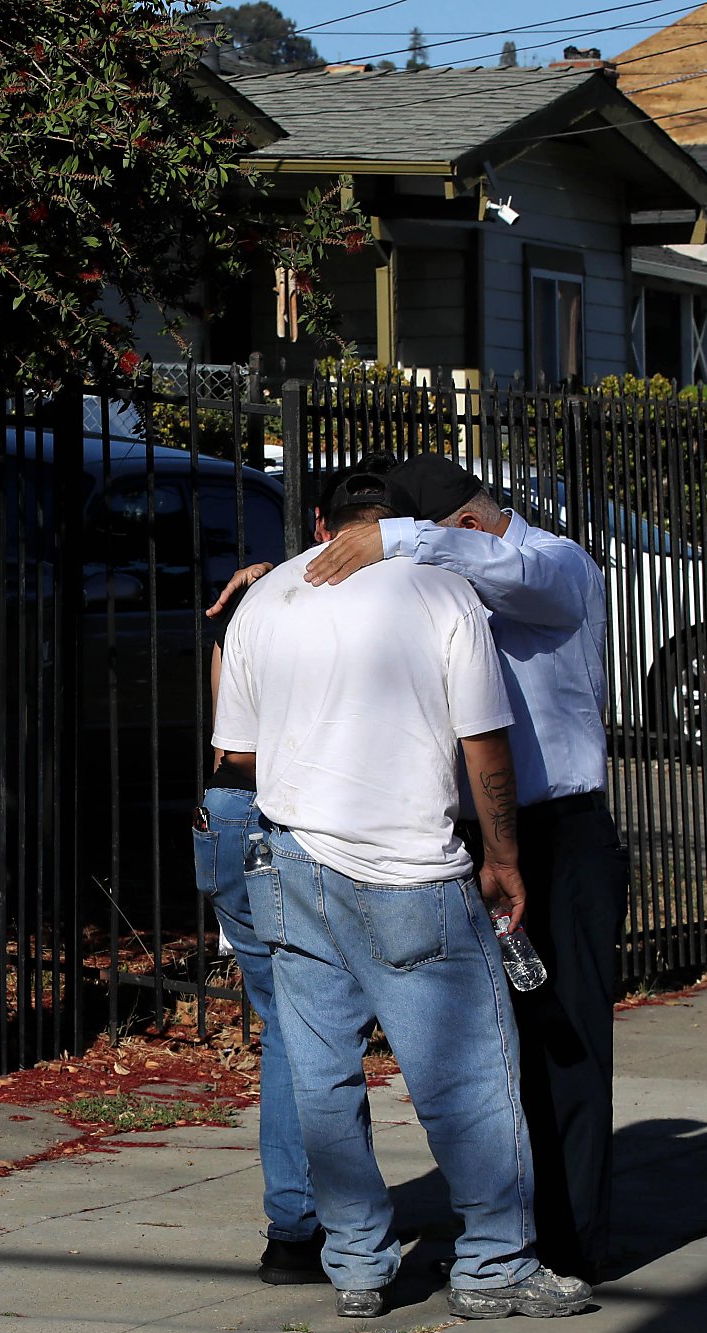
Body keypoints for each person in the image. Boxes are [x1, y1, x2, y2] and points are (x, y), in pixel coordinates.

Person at [209, 452, 624, 1283]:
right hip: (447, 833)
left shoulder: (554, 564)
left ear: (463, 525)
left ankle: (564, 1235)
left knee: (559, 1037)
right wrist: (292, 578)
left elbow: (508, 576)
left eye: (408, 539)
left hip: (553, 831)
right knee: (466, 1053)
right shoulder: (434, 588)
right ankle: (489, 1241)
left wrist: (390, 544)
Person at [194, 596, 322, 1285]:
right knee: (317, 1020)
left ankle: (296, 1228)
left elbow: (229, 738)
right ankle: (306, 1224)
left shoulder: (253, 608)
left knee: (288, 1020)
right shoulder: (372, 604)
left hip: (230, 807)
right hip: (287, 811)